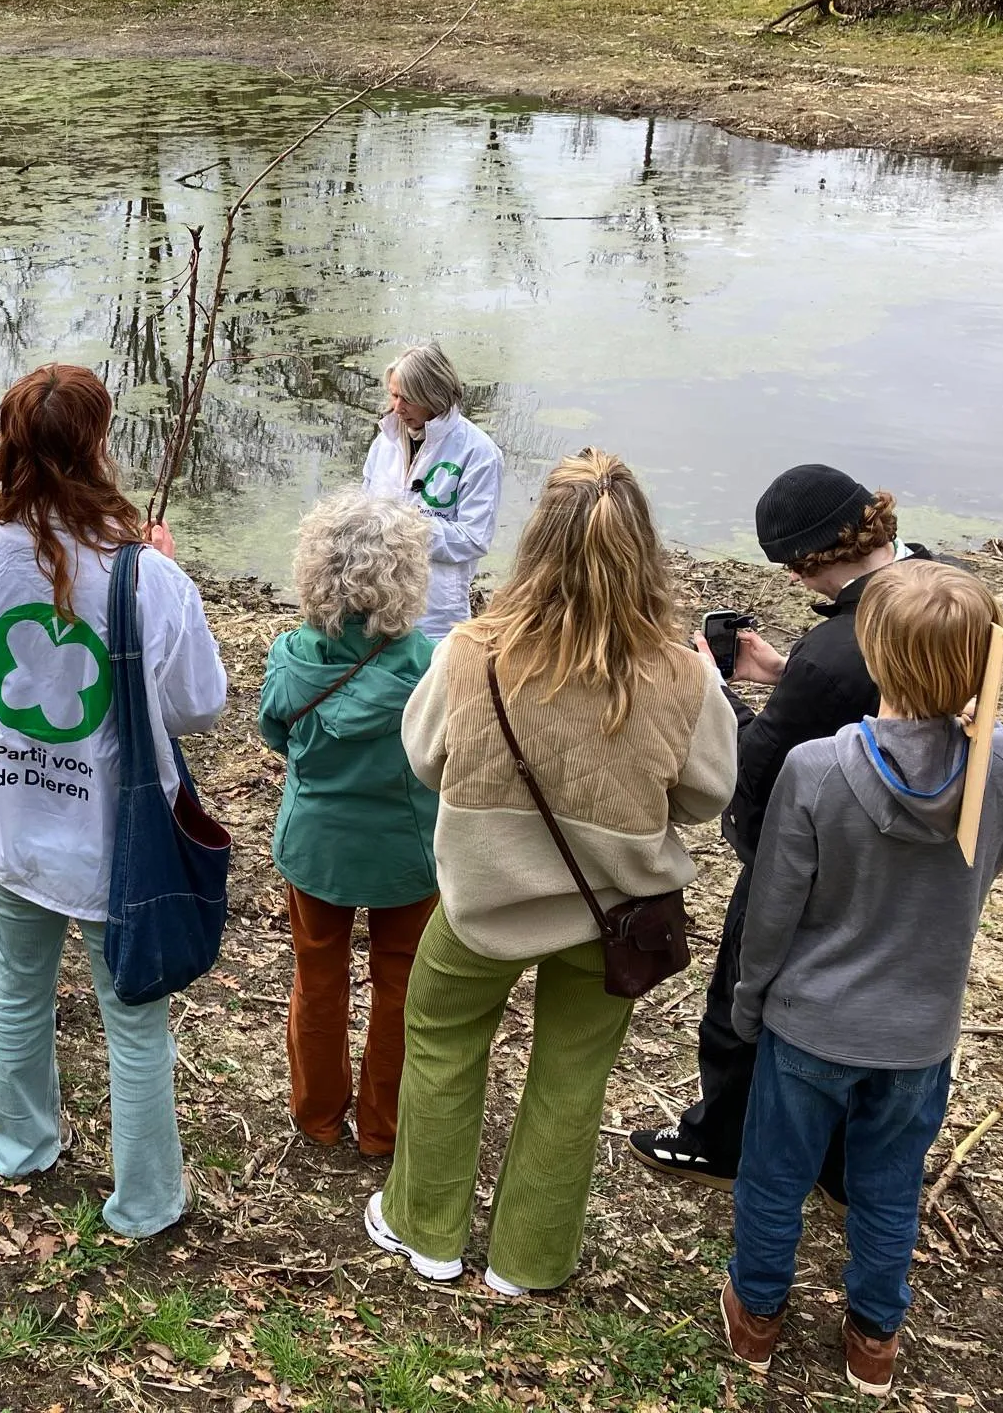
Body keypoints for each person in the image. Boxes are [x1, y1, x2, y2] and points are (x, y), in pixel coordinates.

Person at [721, 562, 1003, 1397]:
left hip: (807, 1025)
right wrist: (998, 742)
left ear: (873, 649)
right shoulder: (1000, 763)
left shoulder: (819, 768)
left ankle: (756, 1319)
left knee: (775, 1175)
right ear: (982, 663)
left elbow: (774, 912)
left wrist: (748, 1006)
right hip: (919, 1032)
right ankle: (873, 1339)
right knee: (890, 1186)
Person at [0, 364, 227, 1239]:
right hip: (118, 845)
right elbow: (199, 707)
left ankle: (21, 1147)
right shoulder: (147, 579)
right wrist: (160, 587)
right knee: (134, 1025)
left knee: (21, 991)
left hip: (12, 823)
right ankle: (144, 1202)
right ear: (99, 447)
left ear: (7, 446)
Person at [366, 449, 736, 1294]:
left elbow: (426, 758)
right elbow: (708, 794)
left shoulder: (469, 652)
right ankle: (528, 1259)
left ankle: (425, 1229)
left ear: (535, 544)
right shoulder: (682, 673)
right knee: (572, 1073)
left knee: (442, 1043)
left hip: (483, 903)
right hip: (615, 917)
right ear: (644, 550)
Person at [630, 465, 934, 1202]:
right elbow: (858, 690)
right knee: (866, 1002)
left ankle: (717, 1140)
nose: (801, 584)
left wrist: (720, 694)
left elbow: (755, 776)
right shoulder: (940, 588)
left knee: (741, 997)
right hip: (913, 854)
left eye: (796, 568)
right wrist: (786, 671)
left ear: (812, 557)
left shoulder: (835, 655)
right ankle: (841, 1163)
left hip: (818, 856)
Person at [257, 491, 439, 1158]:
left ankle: (318, 1116)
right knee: (401, 986)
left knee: (319, 977)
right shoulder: (428, 667)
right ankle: (382, 1130)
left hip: (317, 845)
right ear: (408, 574)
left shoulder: (290, 656)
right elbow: (441, 758)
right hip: (408, 852)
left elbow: (275, 733)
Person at [359, 342, 503, 640]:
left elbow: (474, 539)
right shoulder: (384, 442)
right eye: (394, 394)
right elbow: (363, 510)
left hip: (436, 612)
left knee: (430, 682)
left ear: (433, 396)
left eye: (407, 399)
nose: (397, 408)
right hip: (377, 601)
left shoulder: (478, 453)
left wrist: (406, 527)